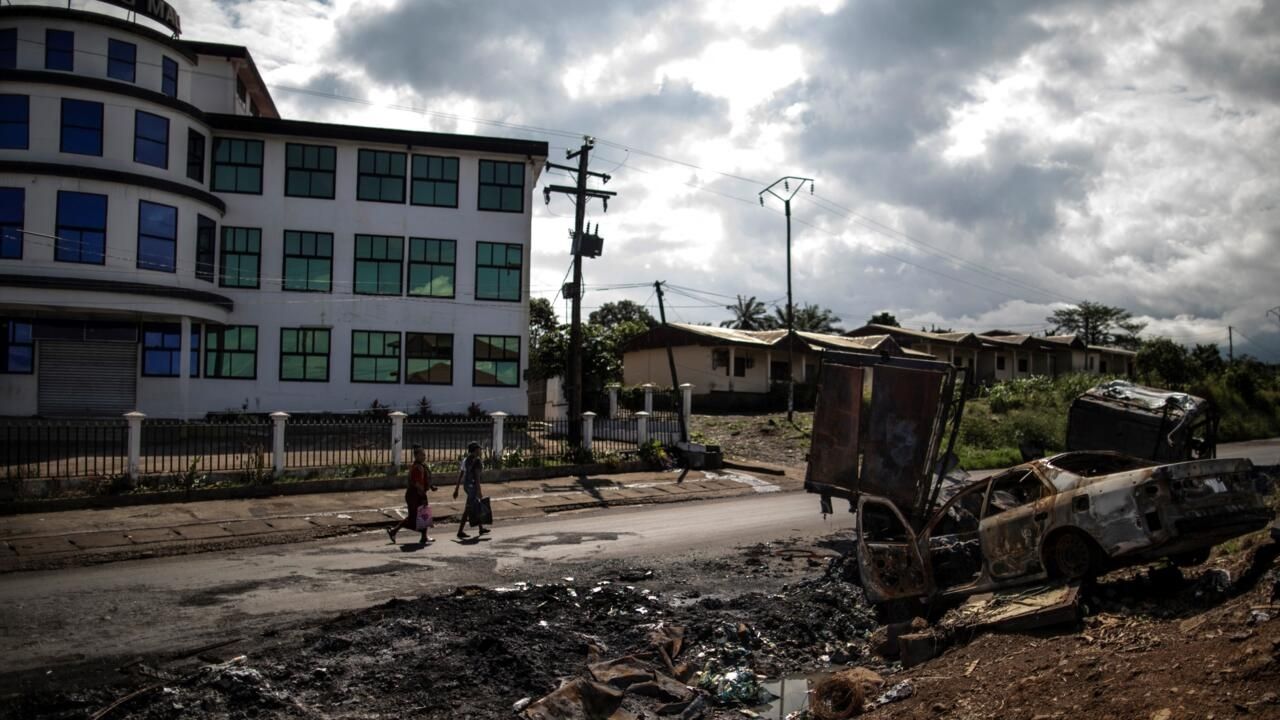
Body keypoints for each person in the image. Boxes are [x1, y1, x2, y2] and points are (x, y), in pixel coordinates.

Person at [387, 446, 435, 544]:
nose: (424, 457)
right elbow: (417, 484)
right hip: (414, 495)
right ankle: (394, 531)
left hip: (419, 494)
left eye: (424, 455)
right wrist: (422, 495)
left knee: (424, 515)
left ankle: (424, 536)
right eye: (422, 455)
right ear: (416, 456)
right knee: (413, 518)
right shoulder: (417, 468)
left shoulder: (422, 466)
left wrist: (431, 487)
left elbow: (425, 480)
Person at [453, 442, 488, 539]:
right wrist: (479, 490)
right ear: (475, 450)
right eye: (479, 449)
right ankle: (460, 531)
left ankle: (481, 528)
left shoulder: (466, 460)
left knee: (476, 505)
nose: (480, 451)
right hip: (473, 487)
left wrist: (457, 488)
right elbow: (477, 477)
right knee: (468, 509)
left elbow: (461, 474)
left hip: (467, 486)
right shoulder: (477, 461)